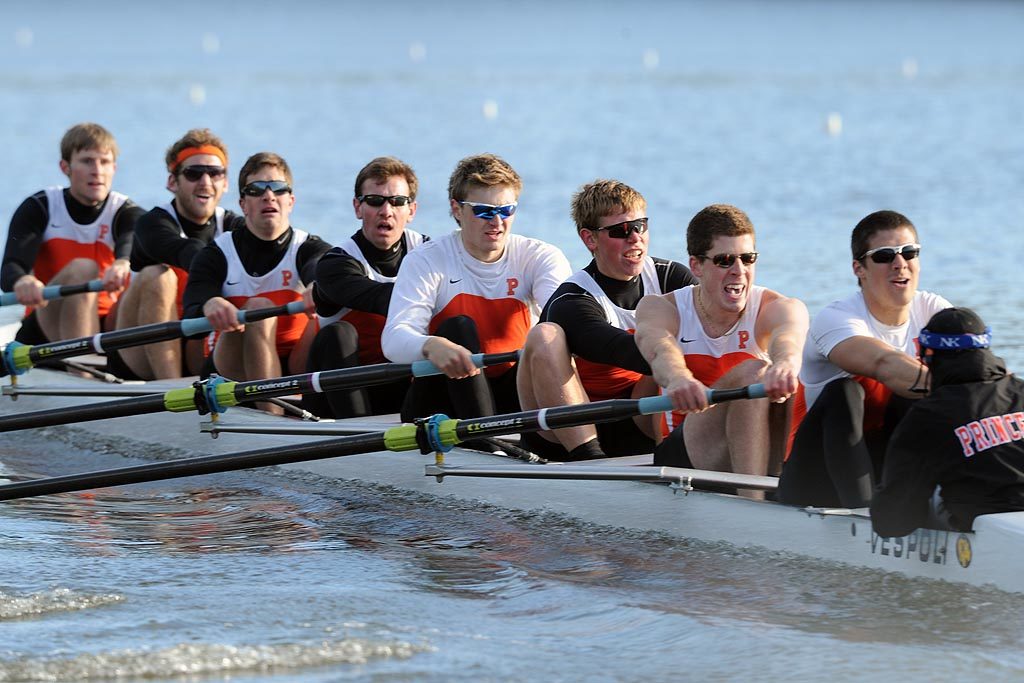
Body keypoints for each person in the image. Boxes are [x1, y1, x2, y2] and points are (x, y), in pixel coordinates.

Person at [381, 153, 572, 428]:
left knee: (549, 335)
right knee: (458, 329)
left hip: (510, 392)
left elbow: (563, 322)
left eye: (506, 210)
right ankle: (487, 438)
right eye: (484, 210)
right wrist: (432, 345)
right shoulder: (427, 260)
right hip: (440, 400)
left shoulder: (540, 257)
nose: (496, 222)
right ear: (457, 209)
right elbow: (394, 339)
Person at [777, 210, 952, 508]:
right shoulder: (836, 318)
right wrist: (961, 386)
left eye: (910, 252)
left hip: (885, 466)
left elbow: (978, 372)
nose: (900, 264)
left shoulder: (933, 309)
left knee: (920, 400)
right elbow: (883, 363)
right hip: (814, 479)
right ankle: (866, 517)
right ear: (859, 268)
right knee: (845, 392)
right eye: (885, 256)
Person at [516, 179, 697, 461]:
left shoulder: (671, 278)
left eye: (640, 226)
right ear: (590, 239)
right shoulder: (572, 301)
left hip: (639, 418)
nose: (635, 237)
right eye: (621, 230)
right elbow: (620, 350)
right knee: (545, 335)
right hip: (568, 430)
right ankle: (589, 460)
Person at [634, 204, 807, 488]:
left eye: (748, 259)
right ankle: (752, 504)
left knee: (806, 377)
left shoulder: (778, 307)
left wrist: (786, 364)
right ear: (697, 266)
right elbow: (658, 348)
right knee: (753, 371)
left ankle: (782, 486)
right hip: (683, 455)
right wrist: (679, 378)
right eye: (725, 260)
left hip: (756, 446)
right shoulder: (663, 308)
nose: (739, 271)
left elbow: (788, 339)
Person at [182, 152, 332, 412]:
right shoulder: (217, 253)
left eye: (277, 188)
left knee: (329, 317)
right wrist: (211, 303)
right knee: (257, 308)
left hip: (295, 366)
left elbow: (319, 268)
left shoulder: (309, 248)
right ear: (243, 204)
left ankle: (279, 411)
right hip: (232, 366)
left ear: (291, 201)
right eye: (256, 189)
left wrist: (317, 286)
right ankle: (272, 417)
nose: (268, 196)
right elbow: (196, 300)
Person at [871, 307, 1024, 536]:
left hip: (988, 531)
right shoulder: (1020, 391)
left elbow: (892, 523)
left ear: (928, 355)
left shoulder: (928, 416)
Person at [111, 128, 246, 379]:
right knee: (158, 276)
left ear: (225, 183)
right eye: (194, 173)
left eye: (214, 173)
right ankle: (171, 388)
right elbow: (189, 251)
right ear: (173, 182)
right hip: (138, 352)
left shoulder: (235, 227)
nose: (205, 182)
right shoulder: (151, 223)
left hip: (198, 343)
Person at [306, 156, 427, 418]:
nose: (386, 211)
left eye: (397, 201)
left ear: (411, 210)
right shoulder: (335, 263)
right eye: (375, 201)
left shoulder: (429, 252)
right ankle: (360, 432)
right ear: (357, 208)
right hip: (338, 398)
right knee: (338, 334)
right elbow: (383, 298)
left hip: (403, 387)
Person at [1, 122, 143, 343]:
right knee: (83, 267)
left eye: (104, 162)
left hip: (107, 321)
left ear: (113, 168)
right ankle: (81, 367)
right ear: (65, 167)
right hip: (47, 320)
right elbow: (11, 266)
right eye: (87, 161)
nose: (97, 171)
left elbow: (130, 239)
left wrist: (123, 261)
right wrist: (22, 281)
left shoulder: (126, 211)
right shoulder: (40, 206)